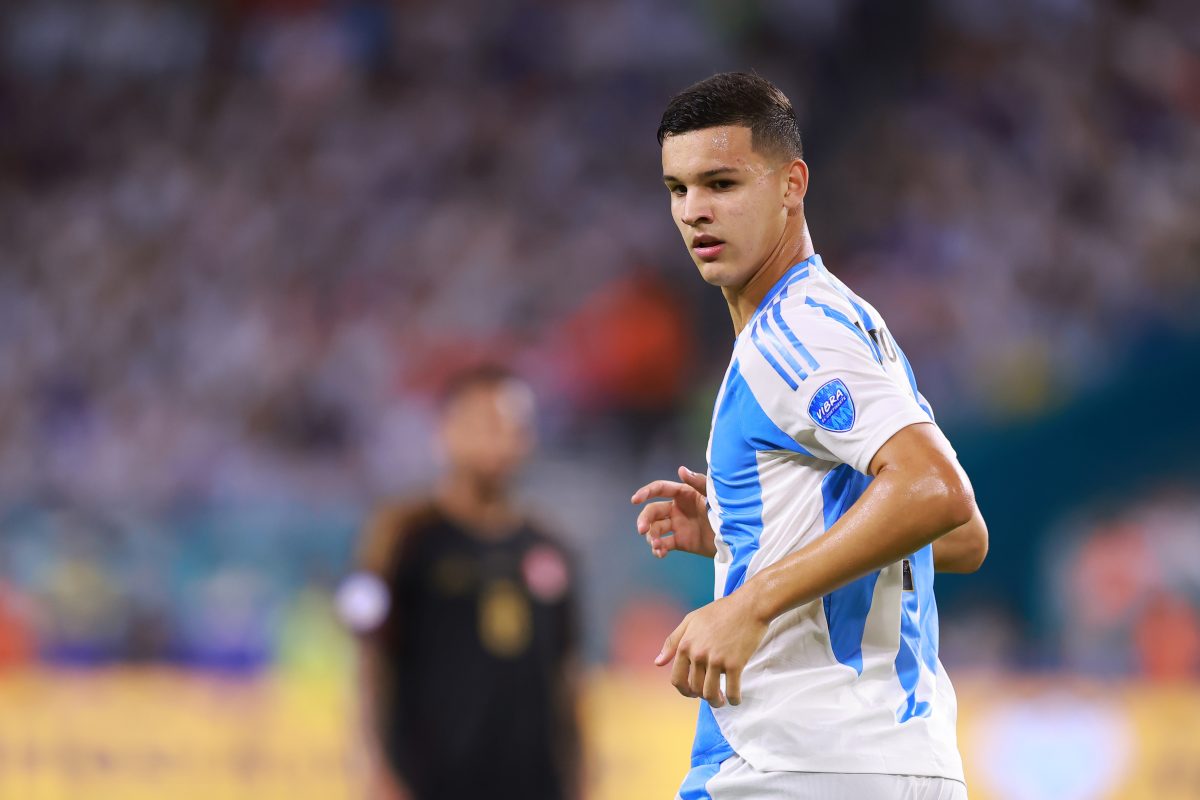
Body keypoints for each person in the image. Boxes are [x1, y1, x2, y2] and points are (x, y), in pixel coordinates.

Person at [630, 73, 989, 799]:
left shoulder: (793, 334)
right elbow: (961, 538)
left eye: (722, 183)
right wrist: (750, 537)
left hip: (795, 761)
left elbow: (936, 493)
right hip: (901, 763)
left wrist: (750, 600)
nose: (695, 211)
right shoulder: (852, 322)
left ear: (791, 185)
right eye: (678, 189)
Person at [338, 366, 581, 800]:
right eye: (485, 424)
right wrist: (377, 770)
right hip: (429, 783)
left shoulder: (549, 548)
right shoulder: (405, 536)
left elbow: (567, 675)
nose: (499, 440)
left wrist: (580, 779)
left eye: (512, 427)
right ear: (446, 432)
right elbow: (371, 659)